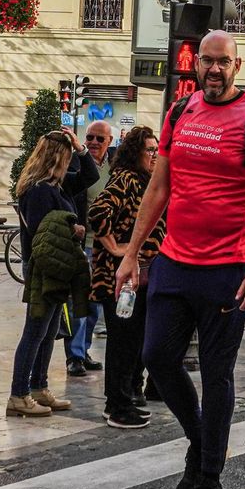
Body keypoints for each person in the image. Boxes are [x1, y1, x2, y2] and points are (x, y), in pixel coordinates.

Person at [117, 30, 245, 489]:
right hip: (174, 259)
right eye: (207, 61)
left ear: (238, 65)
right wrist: (131, 254)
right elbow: (158, 189)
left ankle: (210, 477)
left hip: (228, 269)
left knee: (217, 375)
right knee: (157, 358)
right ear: (197, 65)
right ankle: (201, 444)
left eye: (223, 62)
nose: (214, 70)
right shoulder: (179, 111)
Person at [89, 125, 165, 429]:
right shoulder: (128, 179)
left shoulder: (144, 181)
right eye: (149, 150)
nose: (155, 156)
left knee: (131, 341)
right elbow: (99, 211)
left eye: (157, 150)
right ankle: (117, 406)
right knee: (122, 342)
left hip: (136, 278)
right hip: (120, 280)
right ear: (135, 152)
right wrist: (115, 247)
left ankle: (123, 399)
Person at [8, 130, 86, 417]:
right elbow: (44, 230)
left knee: (50, 329)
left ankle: (39, 386)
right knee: (35, 331)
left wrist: (81, 149)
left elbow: (88, 175)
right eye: (68, 157)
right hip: (43, 268)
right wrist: (73, 229)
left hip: (54, 267)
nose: (70, 164)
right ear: (57, 158)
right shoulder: (40, 191)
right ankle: (18, 393)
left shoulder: (55, 186)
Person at [62, 119, 113, 378]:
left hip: (105, 246)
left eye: (99, 139)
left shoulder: (114, 167)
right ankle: (75, 356)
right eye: (90, 137)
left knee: (95, 306)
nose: (93, 142)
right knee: (79, 303)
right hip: (83, 245)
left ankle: (85, 349)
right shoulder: (75, 162)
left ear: (109, 142)